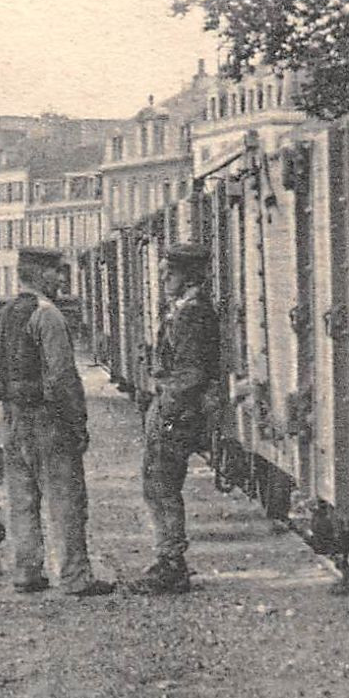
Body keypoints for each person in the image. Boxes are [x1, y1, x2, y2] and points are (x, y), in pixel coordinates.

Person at [0, 248, 114, 598]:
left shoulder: (4, 315)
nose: (62, 280)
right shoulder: (48, 316)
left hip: (12, 418)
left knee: (22, 498)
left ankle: (27, 572)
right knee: (66, 498)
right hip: (47, 420)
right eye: (58, 273)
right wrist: (77, 423)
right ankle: (75, 576)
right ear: (40, 274)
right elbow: (62, 377)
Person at [132, 242, 222, 595]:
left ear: (189, 277)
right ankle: (169, 558)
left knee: (161, 485)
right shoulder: (184, 310)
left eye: (171, 273)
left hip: (177, 412)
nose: (164, 278)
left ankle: (171, 562)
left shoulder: (193, 314)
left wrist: (165, 412)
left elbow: (191, 373)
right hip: (174, 407)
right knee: (159, 485)